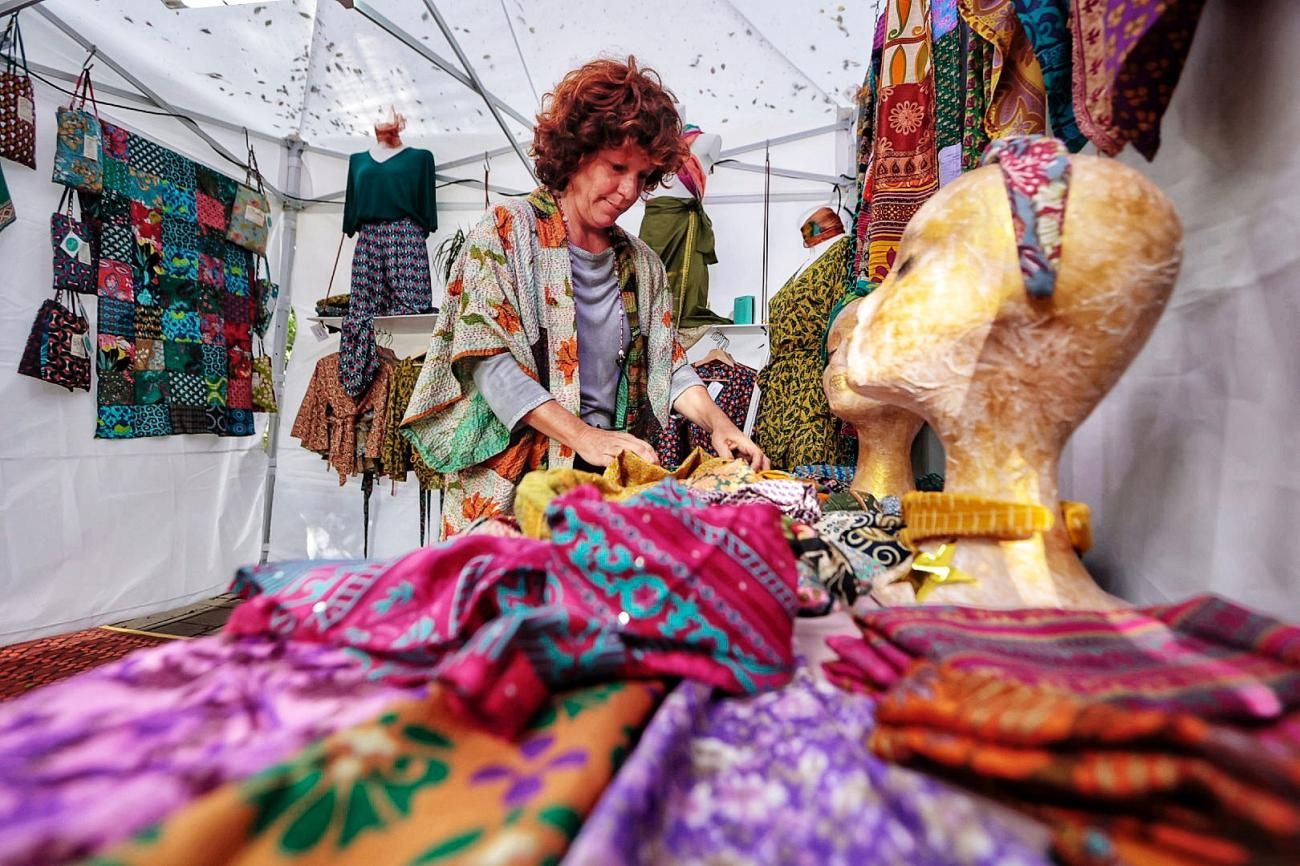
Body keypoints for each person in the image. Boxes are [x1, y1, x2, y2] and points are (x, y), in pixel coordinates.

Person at [402, 56, 768, 537]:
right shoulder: (506, 234)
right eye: (617, 167)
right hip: (512, 480)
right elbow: (488, 360)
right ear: (577, 152)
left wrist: (721, 425)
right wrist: (582, 436)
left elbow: (667, 363)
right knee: (508, 601)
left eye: (641, 177)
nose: (627, 191)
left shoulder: (642, 264)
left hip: (606, 475)